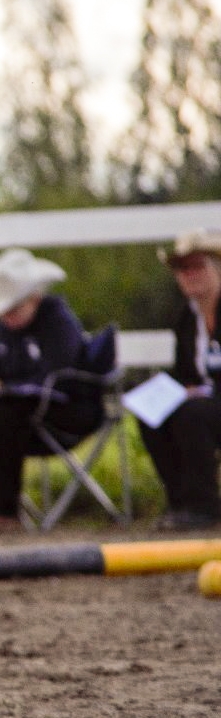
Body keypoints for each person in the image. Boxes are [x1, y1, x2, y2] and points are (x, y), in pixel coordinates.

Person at [0, 248, 100, 534]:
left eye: (14, 307)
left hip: (62, 414)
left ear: (34, 298)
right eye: (3, 308)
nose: (7, 315)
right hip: (14, 411)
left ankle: (6, 512)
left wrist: (2, 387)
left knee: (1, 418)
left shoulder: (59, 322)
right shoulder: (1, 331)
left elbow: (57, 375)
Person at [138, 227, 221, 532]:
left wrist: (201, 393)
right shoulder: (186, 318)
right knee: (151, 415)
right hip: (206, 404)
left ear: (217, 268)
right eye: (182, 269)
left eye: (197, 266)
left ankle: (205, 506)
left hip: (209, 407)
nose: (189, 275)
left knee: (192, 414)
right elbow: (184, 372)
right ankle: (181, 503)